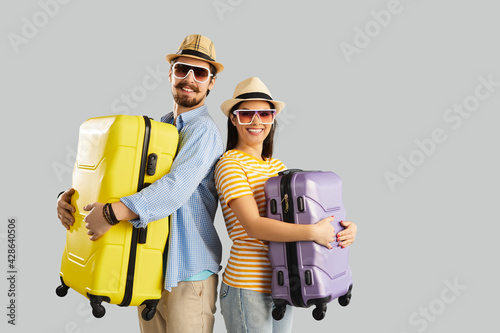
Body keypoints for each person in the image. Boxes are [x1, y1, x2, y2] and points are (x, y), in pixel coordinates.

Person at [56, 34, 225, 333]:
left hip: (188, 273)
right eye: (182, 69)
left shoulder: (204, 131)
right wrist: (69, 199)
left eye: (200, 73)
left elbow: (176, 188)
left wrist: (111, 213)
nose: (189, 79)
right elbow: (116, 179)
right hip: (149, 270)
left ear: (211, 82)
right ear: (170, 73)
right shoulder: (157, 129)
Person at [214, 77, 358, 332]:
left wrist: (343, 230)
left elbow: (301, 221)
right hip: (248, 286)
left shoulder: (276, 166)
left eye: (264, 114)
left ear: (272, 119)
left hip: (285, 282)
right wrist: (314, 233)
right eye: (246, 114)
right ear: (234, 119)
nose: (256, 121)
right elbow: (254, 226)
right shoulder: (230, 164)